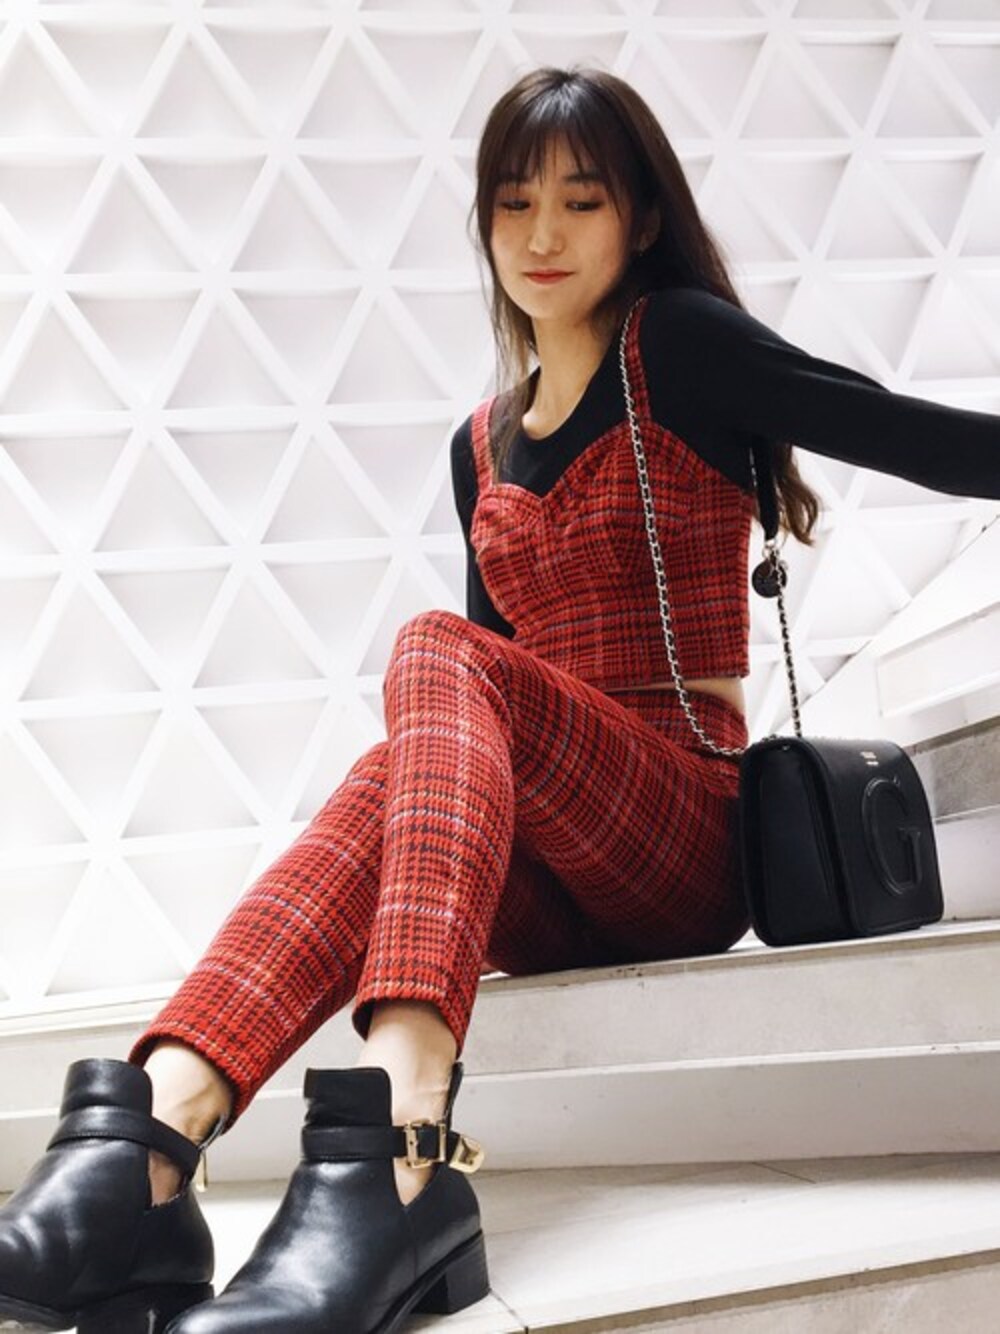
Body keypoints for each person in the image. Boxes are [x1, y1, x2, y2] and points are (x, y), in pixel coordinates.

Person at [1, 64, 998, 1334]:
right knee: (411, 750)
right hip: (553, 875)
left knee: (439, 653)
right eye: (512, 201)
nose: (540, 234)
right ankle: (149, 1141)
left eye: (580, 201)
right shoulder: (478, 445)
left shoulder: (677, 344)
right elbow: (473, 723)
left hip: (683, 829)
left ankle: (397, 1133)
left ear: (639, 218)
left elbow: (903, 431)